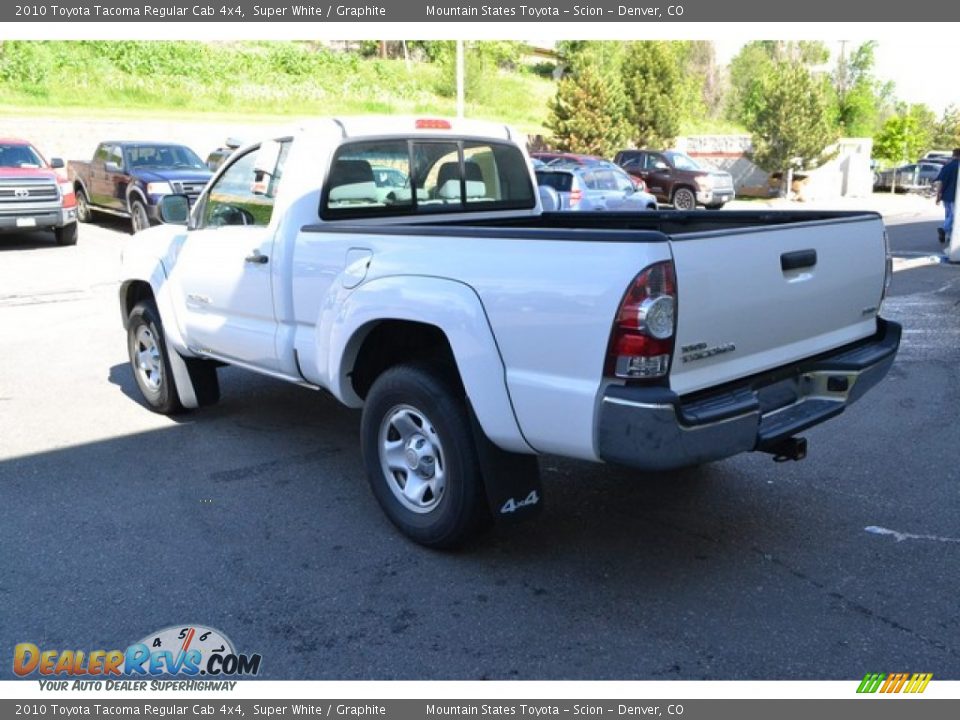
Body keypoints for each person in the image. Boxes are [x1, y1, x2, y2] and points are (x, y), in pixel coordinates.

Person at [934, 148, 960, 244]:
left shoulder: (946, 167)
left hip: (946, 196)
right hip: (956, 197)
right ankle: (944, 229)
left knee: (948, 215)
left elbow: (940, 183)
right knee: (954, 216)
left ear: (953, 155)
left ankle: (949, 235)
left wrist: (938, 196)